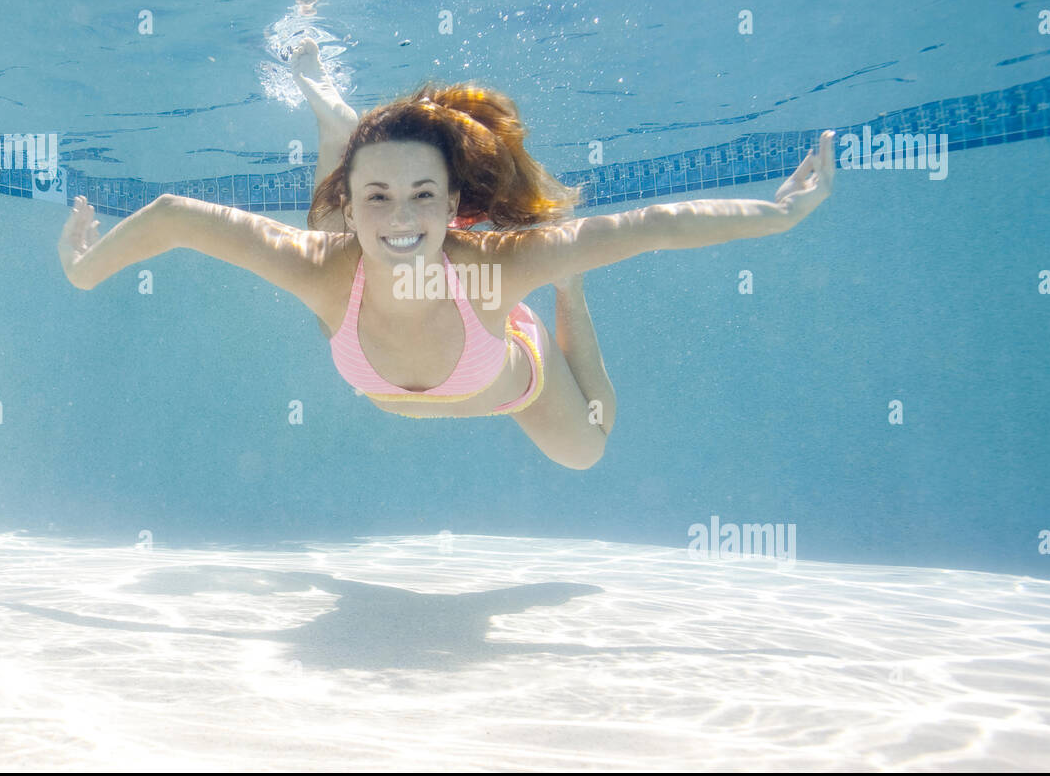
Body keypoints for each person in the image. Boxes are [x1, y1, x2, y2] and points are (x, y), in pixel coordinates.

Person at [59, 38, 834, 469]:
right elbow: (172, 217)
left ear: (453, 201)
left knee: (588, 447)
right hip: (352, 268)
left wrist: (778, 215)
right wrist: (84, 269)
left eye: (424, 196)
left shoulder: (491, 269)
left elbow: (657, 225)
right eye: (380, 197)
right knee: (328, 244)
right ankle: (339, 127)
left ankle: (573, 289)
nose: (402, 220)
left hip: (510, 379)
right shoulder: (330, 263)